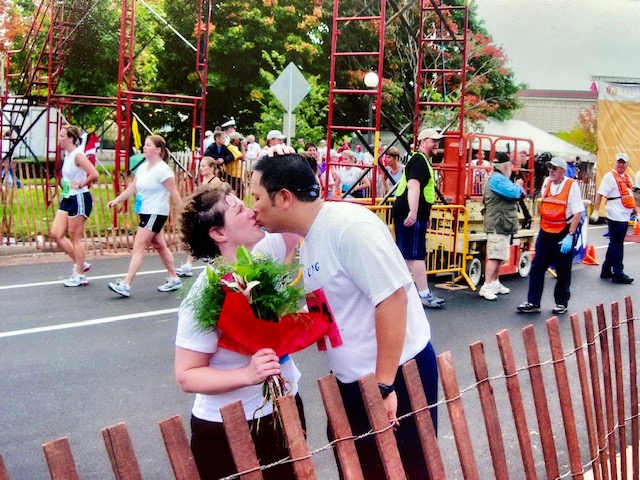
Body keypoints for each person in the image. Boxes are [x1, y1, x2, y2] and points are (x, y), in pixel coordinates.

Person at [250, 151, 438, 480]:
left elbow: (393, 300)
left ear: (283, 198)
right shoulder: (311, 239)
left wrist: (383, 386)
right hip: (356, 382)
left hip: (396, 379)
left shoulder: (348, 227)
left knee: (409, 471)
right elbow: (332, 310)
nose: (253, 208)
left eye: (256, 197)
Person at [175, 182, 304, 480]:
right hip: (228, 426)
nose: (252, 211)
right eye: (240, 209)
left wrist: (282, 168)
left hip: (285, 408)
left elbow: (293, 215)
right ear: (219, 233)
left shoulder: (264, 253)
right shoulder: (205, 294)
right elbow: (187, 374)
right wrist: (247, 375)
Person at [107, 134, 183, 297]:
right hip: (145, 211)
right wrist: (117, 200)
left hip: (155, 212)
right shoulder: (143, 167)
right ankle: (174, 278)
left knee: (139, 245)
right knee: (160, 245)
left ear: (158, 150)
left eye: (148, 145)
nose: (144, 147)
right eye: (145, 145)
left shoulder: (163, 170)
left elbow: (174, 192)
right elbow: (133, 188)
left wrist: (182, 212)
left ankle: (126, 284)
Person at [517, 157, 585, 314]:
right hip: (546, 231)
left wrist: (570, 235)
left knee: (563, 269)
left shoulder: (571, 185)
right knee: (537, 266)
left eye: (555, 168)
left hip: (563, 232)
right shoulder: (547, 182)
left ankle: (561, 302)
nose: (551, 171)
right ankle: (533, 302)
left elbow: (577, 212)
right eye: (550, 168)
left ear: (562, 170)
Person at [392, 128, 445, 308]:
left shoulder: (420, 161)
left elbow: (421, 190)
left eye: (438, 140)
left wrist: (422, 214)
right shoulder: (419, 161)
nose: (437, 143)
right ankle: (423, 293)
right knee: (415, 254)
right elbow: (414, 187)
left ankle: (393, 291)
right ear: (423, 141)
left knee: (407, 255)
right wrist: (414, 213)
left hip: (411, 213)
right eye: (433, 140)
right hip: (409, 212)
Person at [50, 124, 99, 287]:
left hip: (79, 198)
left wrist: (80, 184)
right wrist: (64, 193)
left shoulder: (78, 155)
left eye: (62, 136)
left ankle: (80, 275)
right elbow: (66, 179)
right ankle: (81, 263)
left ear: (70, 138)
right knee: (56, 234)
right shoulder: (68, 154)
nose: (59, 139)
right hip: (68, 198)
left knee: (75, 237)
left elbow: (94, 174)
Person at [479, 152, 525, 300]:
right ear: (506, 166)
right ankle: (486, 286)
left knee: (500, 255)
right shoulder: (498, 179)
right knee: (494, 255)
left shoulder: (497, 178)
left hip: (502, 223)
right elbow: (515, 193)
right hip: (498, 223)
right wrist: (518, 185)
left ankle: (495, 283)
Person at [590, 152, 639, 284]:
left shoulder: (627, 178)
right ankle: (618, 272)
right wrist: (595, 210)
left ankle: (606, 269)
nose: (621, 164)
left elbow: (630, 196)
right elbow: (600, 194)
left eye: (623, 162)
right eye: (619, 162)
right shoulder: (609, 177)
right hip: (615, 214)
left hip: (624, 215)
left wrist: (636, 211)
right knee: (617, 245)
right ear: (615, 162)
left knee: (615, 244)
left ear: (627, 165)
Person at [176, 157, 224, 277]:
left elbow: (213, 199)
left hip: (210, 215)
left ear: (212, 167)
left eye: (204, 166)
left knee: (210, 241)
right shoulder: (203, 180)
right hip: (201, 214)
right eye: (200, 166)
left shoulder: (215, 181)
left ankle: (215, 263)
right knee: (195, 237)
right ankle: (189, 265)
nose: (201, 169)